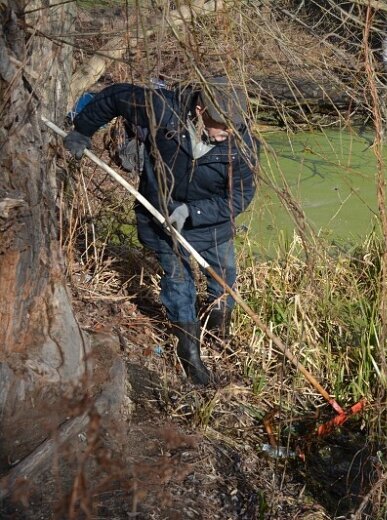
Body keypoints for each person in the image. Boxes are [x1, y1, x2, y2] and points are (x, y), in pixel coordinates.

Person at [64, 77, 257, 386]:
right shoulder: (162, 110)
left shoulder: (243, 148)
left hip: (211, 226)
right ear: (199, 110)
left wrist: (192, 213)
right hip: (161, 216)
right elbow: (116, 97)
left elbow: (239, 198)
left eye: (233, 127)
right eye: (221, 126)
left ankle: (219, 335)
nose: (227, 134)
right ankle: (189, 353)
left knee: (224, 278)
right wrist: (82, 130)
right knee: (179, 283)